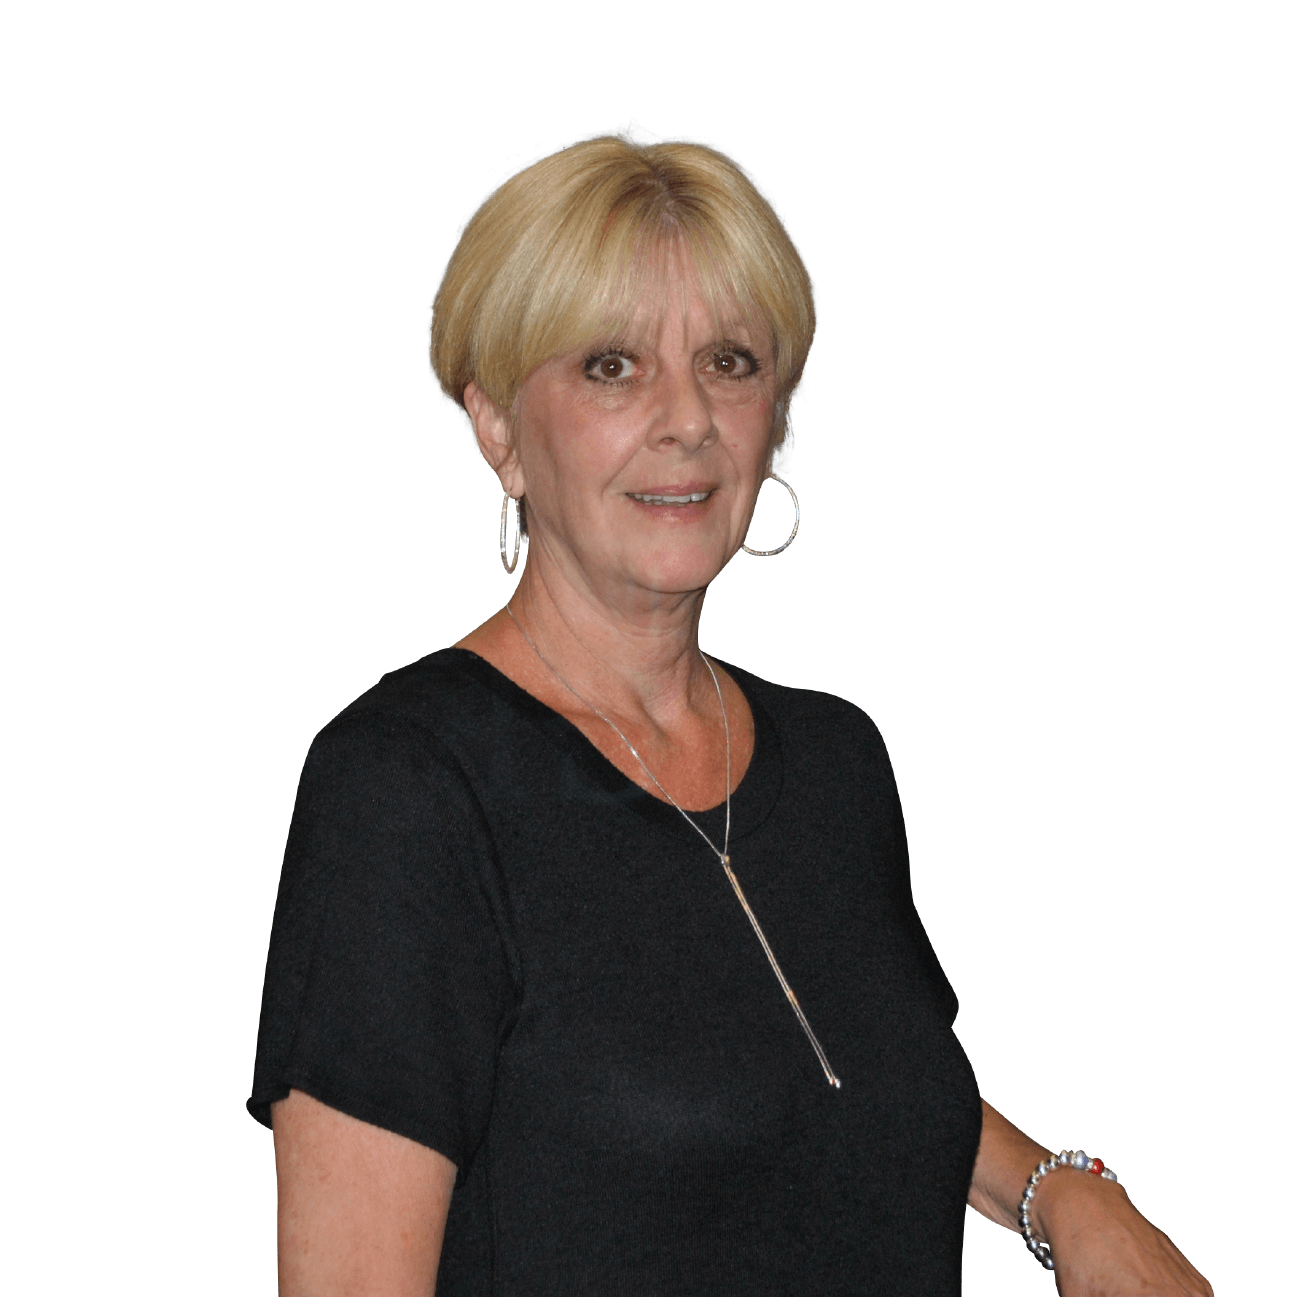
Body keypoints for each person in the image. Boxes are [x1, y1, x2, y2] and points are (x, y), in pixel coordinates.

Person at [248, 127, 1211, 1296]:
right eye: (610, 365)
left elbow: (850, 1078)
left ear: (776, 416)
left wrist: (1058, 1193)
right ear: (497, 425)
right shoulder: (406, 789)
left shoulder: (832, 758)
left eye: (728, 363)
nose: (686, 419)